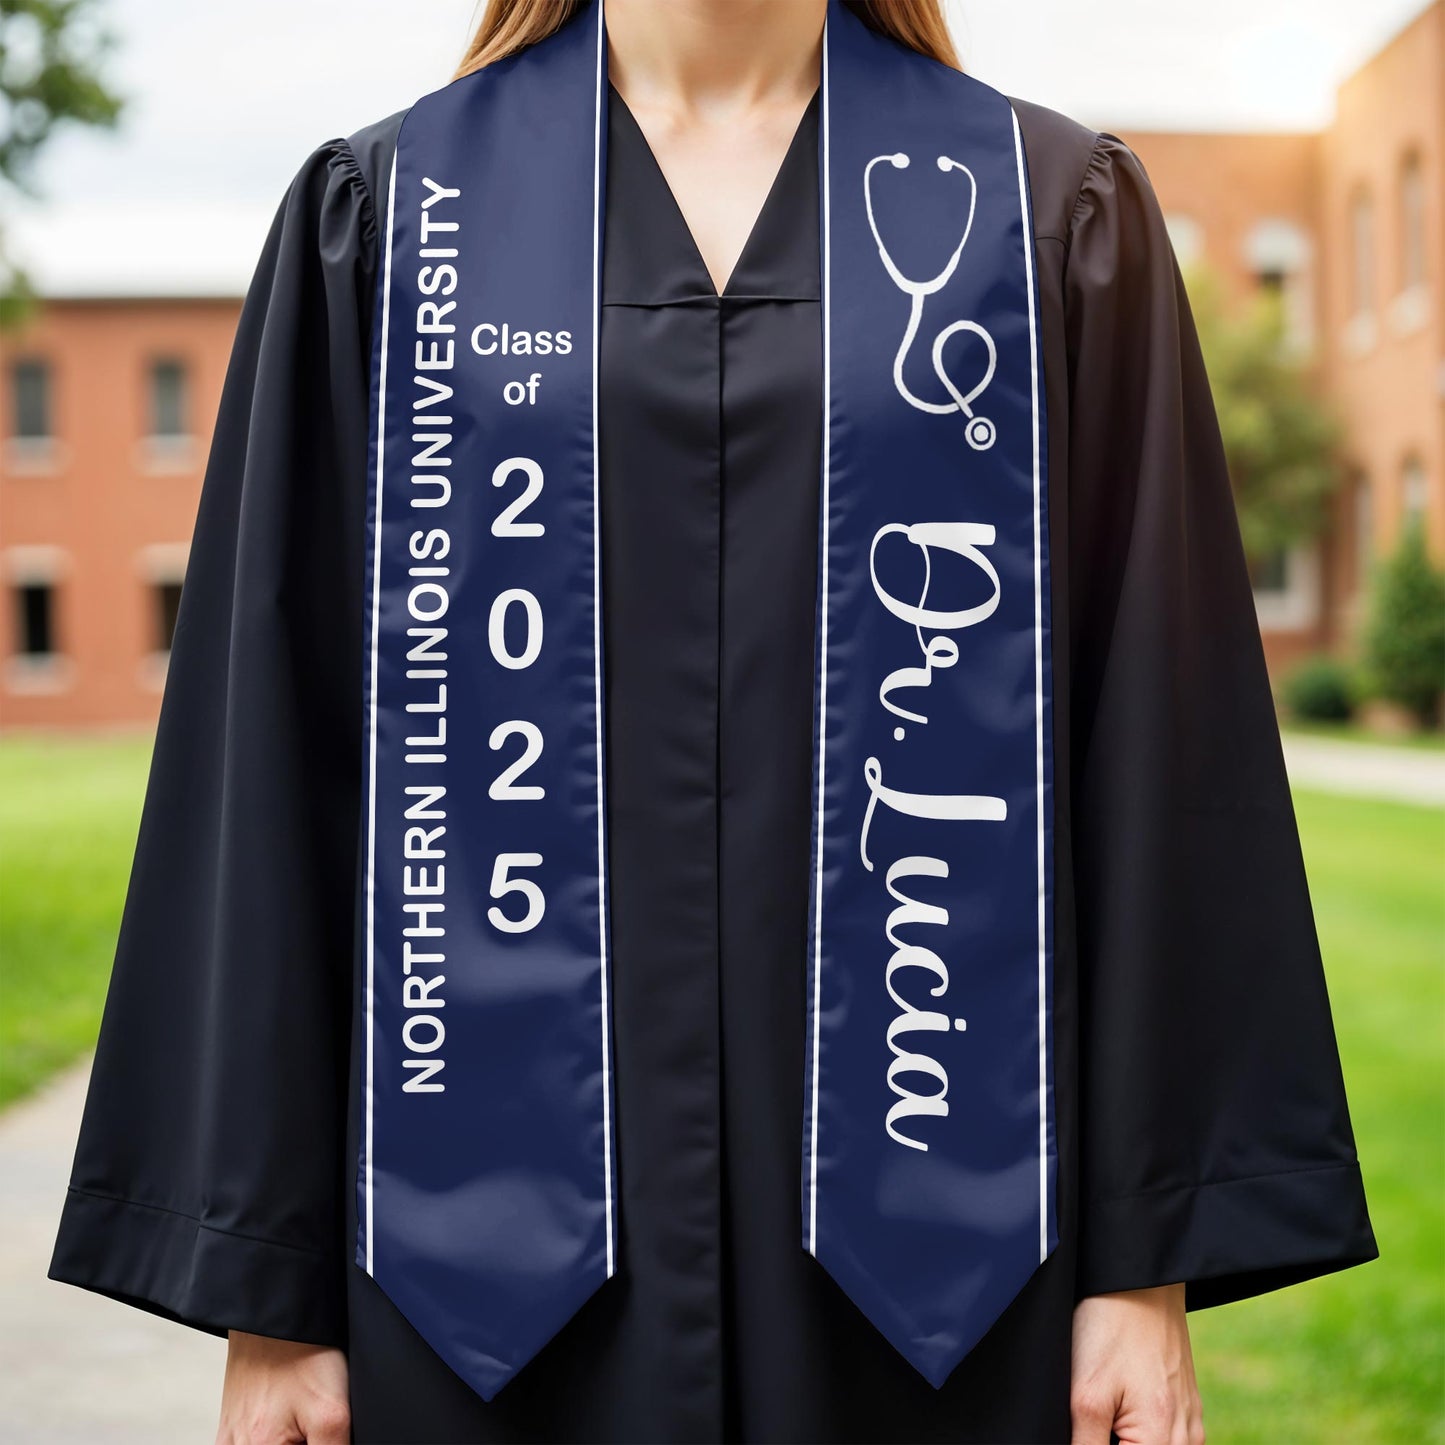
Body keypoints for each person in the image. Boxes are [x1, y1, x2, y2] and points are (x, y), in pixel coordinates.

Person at [48, 1, 1378, 1442]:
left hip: (949, 1263)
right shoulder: (396, 221)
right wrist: (272, 1289)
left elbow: (1156, 740)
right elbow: (273, 752)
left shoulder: (1041, 213)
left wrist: (1142, 1264)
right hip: (478, 1281)